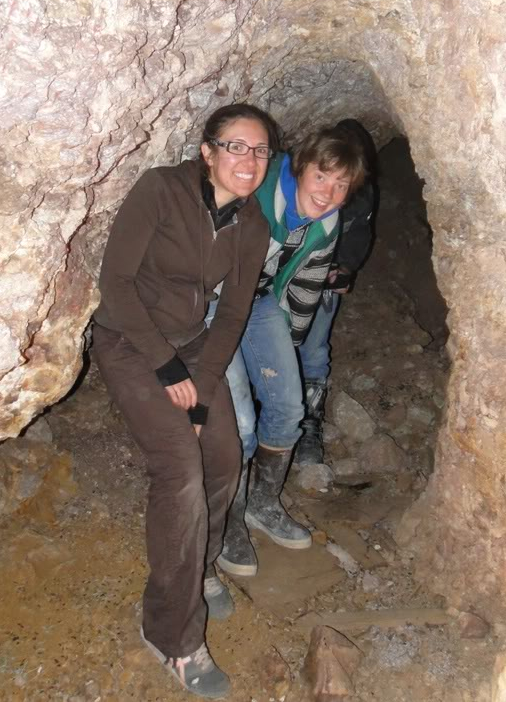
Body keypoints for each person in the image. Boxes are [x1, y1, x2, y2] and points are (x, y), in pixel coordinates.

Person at [91, 103, 278, 699]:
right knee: (178, 471)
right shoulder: (162, 190)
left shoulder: (253, 227)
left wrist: (200, 384)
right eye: (236, 147)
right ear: (207, 151)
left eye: (260, 151)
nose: (248, 160)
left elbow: (234, 312)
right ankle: (172, 634)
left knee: (224, 456)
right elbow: (115, 284)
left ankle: (197, 567)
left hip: (195, 349)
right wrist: (169, 372)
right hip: (128, 340)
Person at [216, 126, 368, 578]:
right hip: (213, 305)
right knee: (241, 422)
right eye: (323, 177)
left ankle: (263, 504)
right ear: (301, 168)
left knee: (287, 405)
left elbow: (304, 287)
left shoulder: (326, 223)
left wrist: (281, 358)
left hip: (259, 303)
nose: (330, 192)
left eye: (342, 185)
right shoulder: (257, 190)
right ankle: (228, 520)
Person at [295, 119, 379, 465]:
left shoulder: (360, 199)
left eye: (343, 180)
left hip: (322, 282)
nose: (331, 189)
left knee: (314, 348)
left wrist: (343, 268)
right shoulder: (293, 192)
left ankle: (309, 425)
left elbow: (360, 234)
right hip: (282, 282)